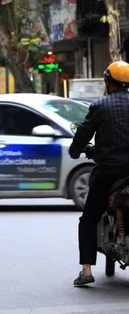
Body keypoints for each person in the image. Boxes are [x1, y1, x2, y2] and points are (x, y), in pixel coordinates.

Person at [69, 61, 129, 286]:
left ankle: (86, 270)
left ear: (107, 82)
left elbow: (83, 135)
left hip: (109, 172)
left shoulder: (100, 106)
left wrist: (75, 151)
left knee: (88, 219)